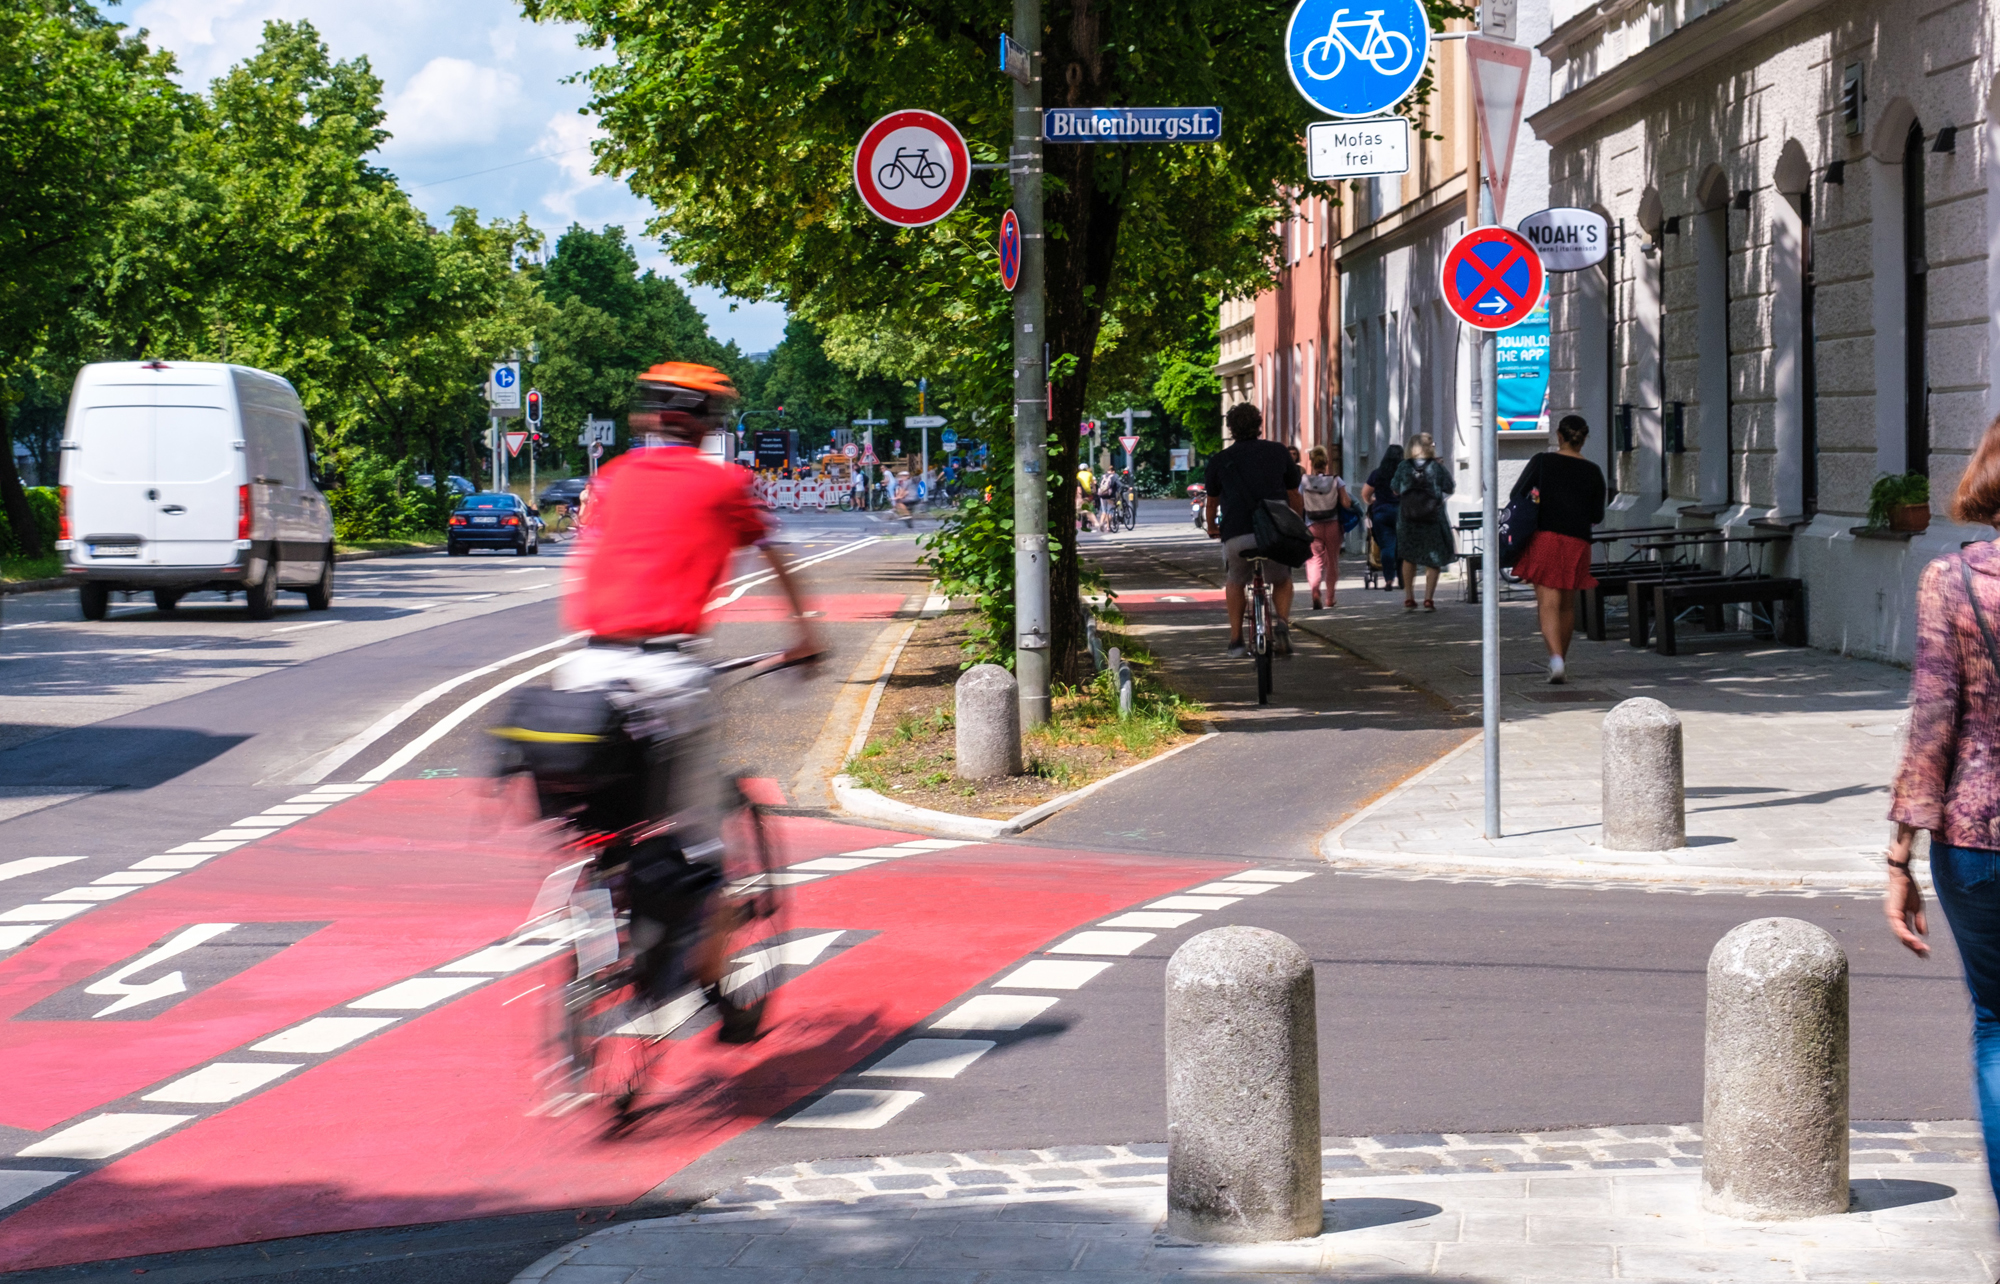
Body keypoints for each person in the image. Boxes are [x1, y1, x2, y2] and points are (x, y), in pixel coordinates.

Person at [559, 362, 821, 1042]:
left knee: (602, 821)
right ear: (709, 425)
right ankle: (713, 982)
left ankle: (596, 912)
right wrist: (805, 639)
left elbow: (592, 559)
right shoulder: (724, 482)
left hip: (583, 669)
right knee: (703, 850)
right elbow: (777, 558)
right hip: (667, 675)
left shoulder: (612, 478)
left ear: (650, 418)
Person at [1886, 410, 2000, 1217]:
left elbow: (1935, 719)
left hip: (1978, 836)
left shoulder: (1953, 579)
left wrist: (1898, 855)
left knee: (1999, 1026)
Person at [1508, 415, 1608, 683]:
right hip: (1578, 542)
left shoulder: (1542, 461)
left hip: (1546, 538)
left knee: (1547, 605)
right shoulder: (1594, 471)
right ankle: (1560, 660)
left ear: (1559, 436)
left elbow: (1517, 494)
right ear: (1584, 439)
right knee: (1567, 606)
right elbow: (1597, 514)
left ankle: (1555, 660)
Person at [1203, 403, 1304, 658]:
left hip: (1237, 533)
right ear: (1259, 425)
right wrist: (1296, 525)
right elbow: (1294, 494)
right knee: (1281, 579)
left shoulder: (1220, 460)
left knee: (1236, 580)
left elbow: (1212, 502)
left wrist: (1213, 527)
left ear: (1231, 429)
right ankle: (1281, 623)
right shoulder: (1279, 452)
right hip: (1274, 532)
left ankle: (1236, 639)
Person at [1391, 433, 1456, 611]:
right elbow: (1450, 487)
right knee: (1432, 559)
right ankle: (1428, 599)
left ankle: (1409, 597)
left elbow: (1395, 489)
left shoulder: (1403, 466)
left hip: (1407, 519)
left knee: (1408, 556)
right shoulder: (1436, 467)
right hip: (1433, 518)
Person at [1300, 445, 1352, 611]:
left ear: (1312, 462)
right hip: (1332, 525)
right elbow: (1346, 503)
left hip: (1312, 525)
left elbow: (1299, 503)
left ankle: (1315, 592)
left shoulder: (1304, 482)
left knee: (1314, 560)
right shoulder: (1336, 480)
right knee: (1332, 562)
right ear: (1326, 462)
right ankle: (1330, 597)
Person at [1362, 443, 1404, 591]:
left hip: (1381, 513)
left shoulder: (1377, 474)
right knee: (1401, 546)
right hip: (1401, 513)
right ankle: (1402, 578)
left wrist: (1372, 502)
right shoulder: (1404, 474)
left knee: (1387, 546)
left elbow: (1365, 494)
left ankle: (1388, 580)